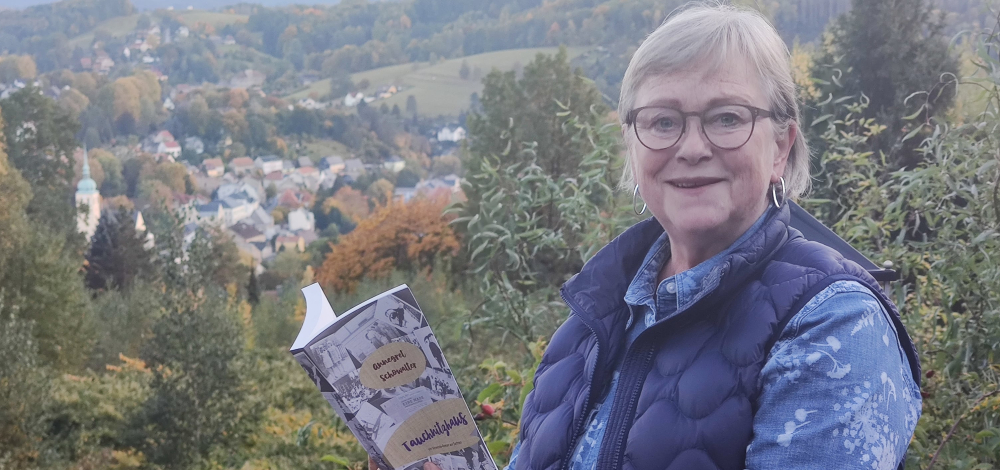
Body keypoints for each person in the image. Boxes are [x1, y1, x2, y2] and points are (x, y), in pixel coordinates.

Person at [503, 3, 921, 470]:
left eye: (727, 118)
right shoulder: (593, 317)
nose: (693, 147)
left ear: (781, 148)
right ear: (632, 147)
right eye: (663, 121)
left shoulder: (834, 322)